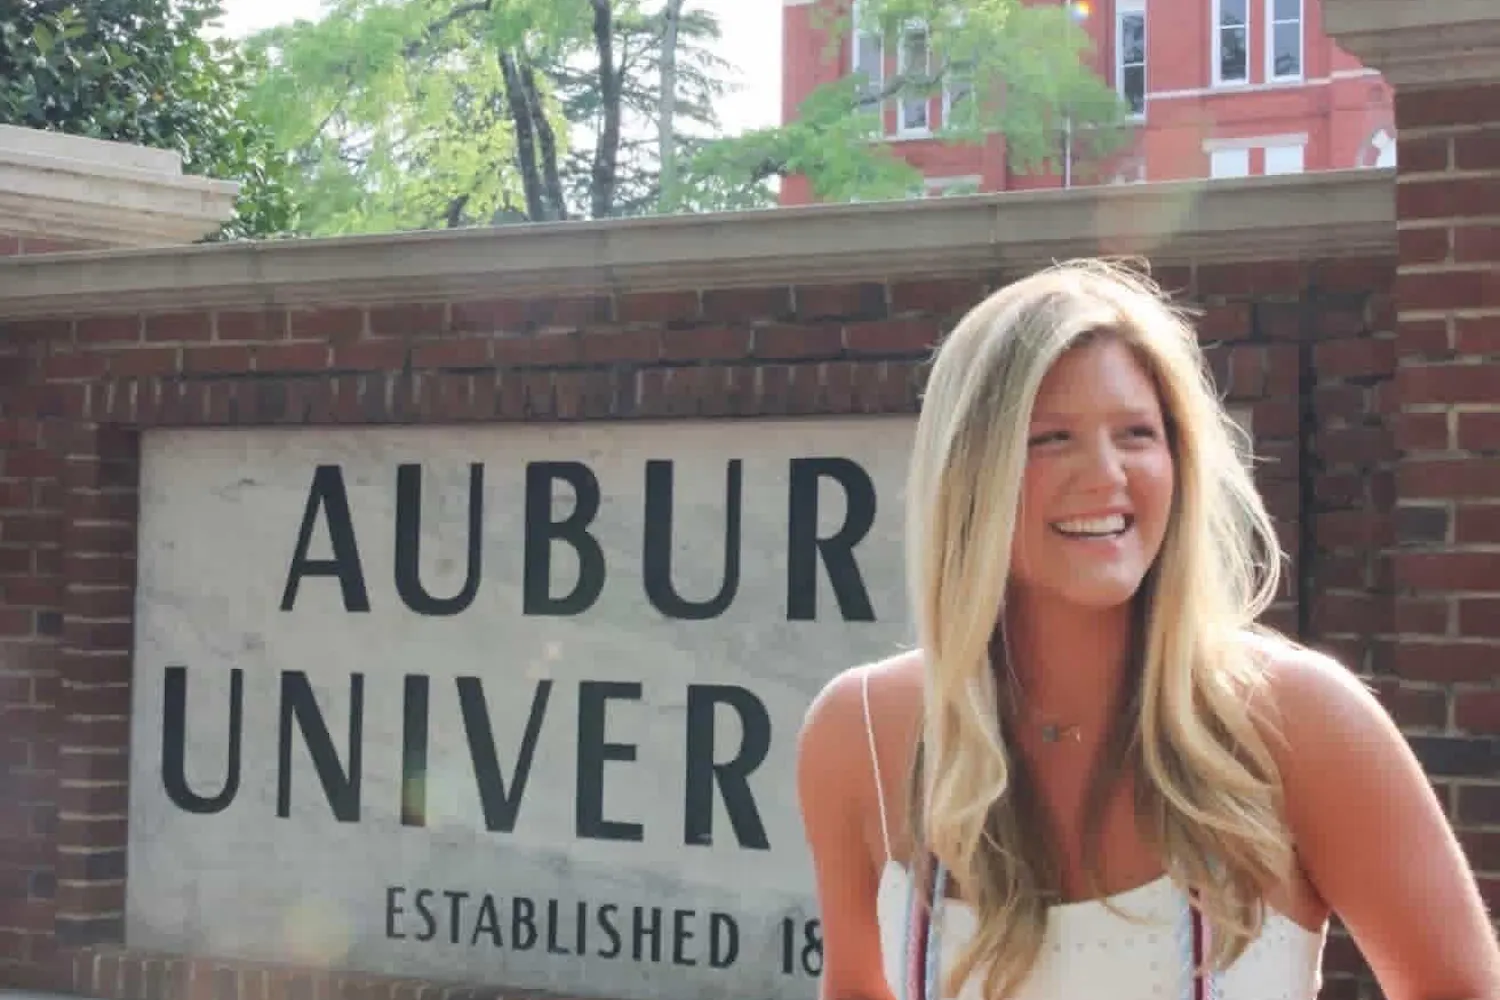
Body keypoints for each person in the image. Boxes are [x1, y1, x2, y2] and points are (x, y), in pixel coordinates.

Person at [796, 259, 1500, 1000]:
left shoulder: (1299, 719)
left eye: (1136, 433)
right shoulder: (860, 734)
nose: (1105, 474)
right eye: (1050, 438)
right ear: (968, 472)